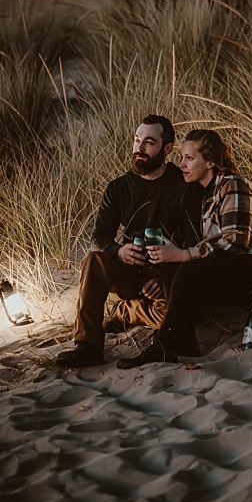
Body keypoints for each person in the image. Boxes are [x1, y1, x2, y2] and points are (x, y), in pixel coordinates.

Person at [117, 128, 252, 368]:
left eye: (189, 158)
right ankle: (184, 341)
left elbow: (235, 241)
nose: (181, 164)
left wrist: (184, 254)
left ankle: (164, 344)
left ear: (210, 161)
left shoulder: (232, 185)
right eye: (181, 158)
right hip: (243, 273)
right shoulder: (205, 197)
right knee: (174, 268)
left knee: (189, 268)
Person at [55, 115, 202, 369]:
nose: (139, 149)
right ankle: (87, 345)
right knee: (94, 260)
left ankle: (128, 312)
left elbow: (192, 242)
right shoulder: (118, 188)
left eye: (148, 142)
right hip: (127, 272)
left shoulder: (184, 185)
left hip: (166, 276)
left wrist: (165, 276)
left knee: (176, 321)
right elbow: (98, 237)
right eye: (136, 141)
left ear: (167, 149)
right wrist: (118, 251)